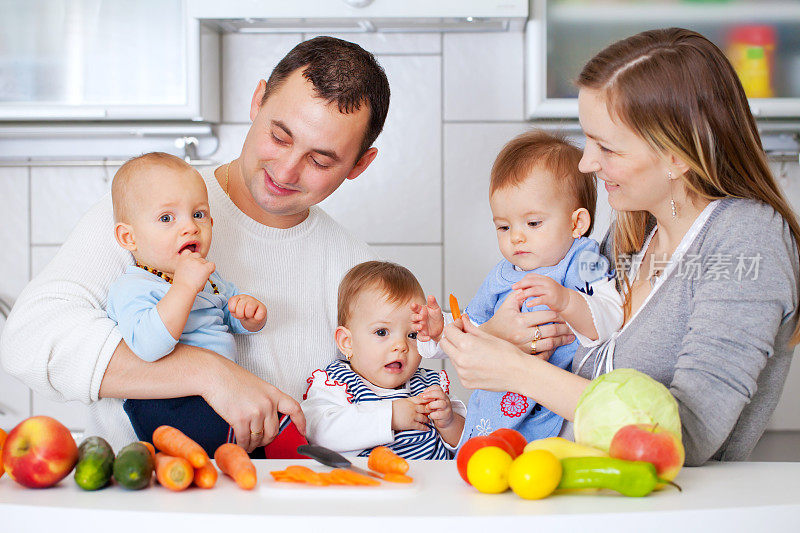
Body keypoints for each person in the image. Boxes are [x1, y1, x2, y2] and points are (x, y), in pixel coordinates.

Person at [0, 36, 390, 452]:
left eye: (320, 160)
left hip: (282, 506)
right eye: (279, 136)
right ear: (258, 101)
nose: (287, 169)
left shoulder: (356, 270)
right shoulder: (153, 207)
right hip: (138, 501)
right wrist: (207, 372)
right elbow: (28, 338)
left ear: (359, 165)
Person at [439, 28, 800, 465]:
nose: (586, 163)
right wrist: (497, 338)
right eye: (587, 139)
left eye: (606, 147)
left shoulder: (747, 238)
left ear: (676, 155)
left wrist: (519, 372)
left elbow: (686, 435)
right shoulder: (632, 233)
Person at [413, 130, 622, 445]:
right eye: (504, 226)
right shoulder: (501, 275)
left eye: (533, 223)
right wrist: (440, 330)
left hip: (554, 408)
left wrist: (567, 301)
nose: (516, 237)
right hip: (494, 403)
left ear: (576, 223)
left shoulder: (584, 259)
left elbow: (610, 319)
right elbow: (473, 329)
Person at [108, 152, 268, 454]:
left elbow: (225, 313)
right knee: (195, 456)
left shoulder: (207, 275)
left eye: (198, 214)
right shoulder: (134, 287)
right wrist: (183, 287)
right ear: (129, 237)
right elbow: (148, 346)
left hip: (218, 394)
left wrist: (246, 315)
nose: (190, 227)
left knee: (248, 443)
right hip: (166, 400)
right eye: (167, 218)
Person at [302, 261, 465, 458]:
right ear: (347, 342)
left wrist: (449, 423)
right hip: (370, 484)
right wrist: (391, 416)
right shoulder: (337, 384)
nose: (401, 346)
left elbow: (470, 441)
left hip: (434, 486)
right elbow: (318, 432)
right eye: (382, 332)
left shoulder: (430, 387)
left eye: (412, 335)